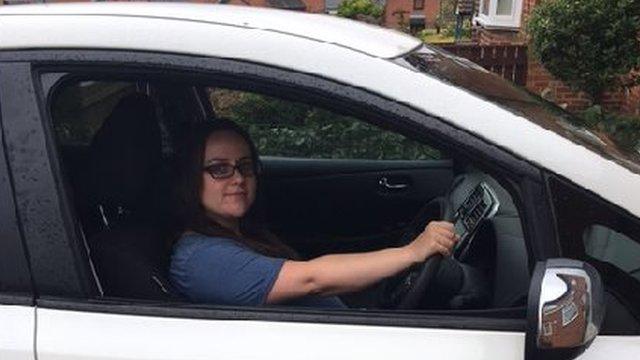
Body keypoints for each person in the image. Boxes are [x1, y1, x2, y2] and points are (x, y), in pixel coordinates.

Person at [169, 119, 458, 308]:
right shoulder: (202, 259)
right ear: (191, 177)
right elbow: (311, 279)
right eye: (219, 169)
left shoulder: (237, 233)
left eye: (245, 166)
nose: (238, 179)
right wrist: (412, 253)